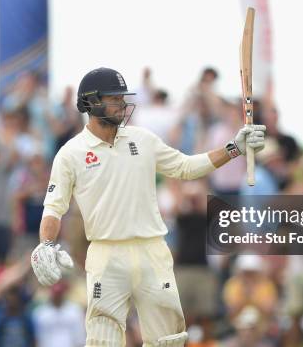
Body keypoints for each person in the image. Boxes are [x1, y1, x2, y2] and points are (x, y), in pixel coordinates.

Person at [30, 67, 266, 346]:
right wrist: (45, 243)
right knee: (103, 340)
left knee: (169, 340)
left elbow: (186, 167)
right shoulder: (71, 153)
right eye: (113, 99)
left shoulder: (142, 139)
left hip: (152, 250)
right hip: (106, 254)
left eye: (122, 98)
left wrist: (233, 148)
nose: (122, 104)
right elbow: (53, 207)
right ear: (91, 102)